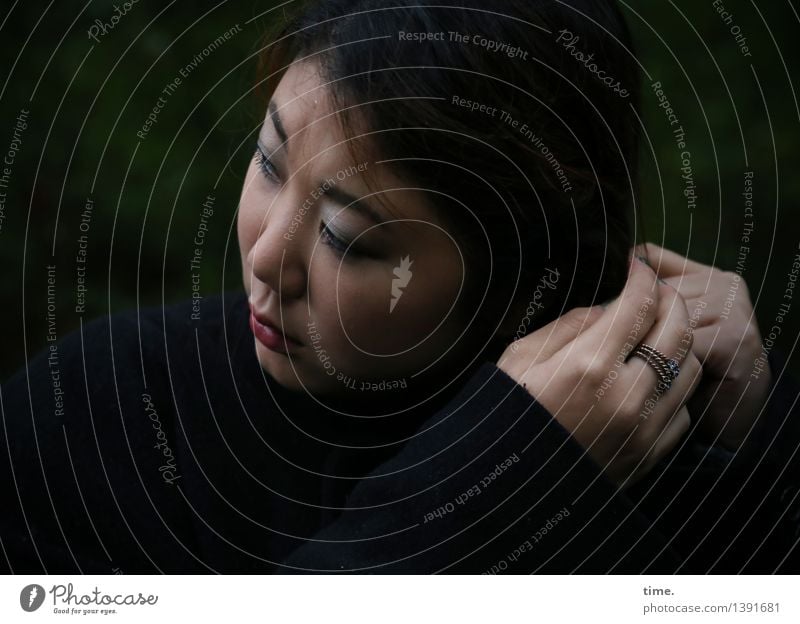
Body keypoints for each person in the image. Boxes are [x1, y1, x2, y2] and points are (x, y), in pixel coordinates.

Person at [1, 0, 797, 573]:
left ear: (516, 259)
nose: (266, 257)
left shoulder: (644, 446)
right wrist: (492, 492)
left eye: (349, 238)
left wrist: (766, 461)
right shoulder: (101, 412)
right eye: (271, 161)